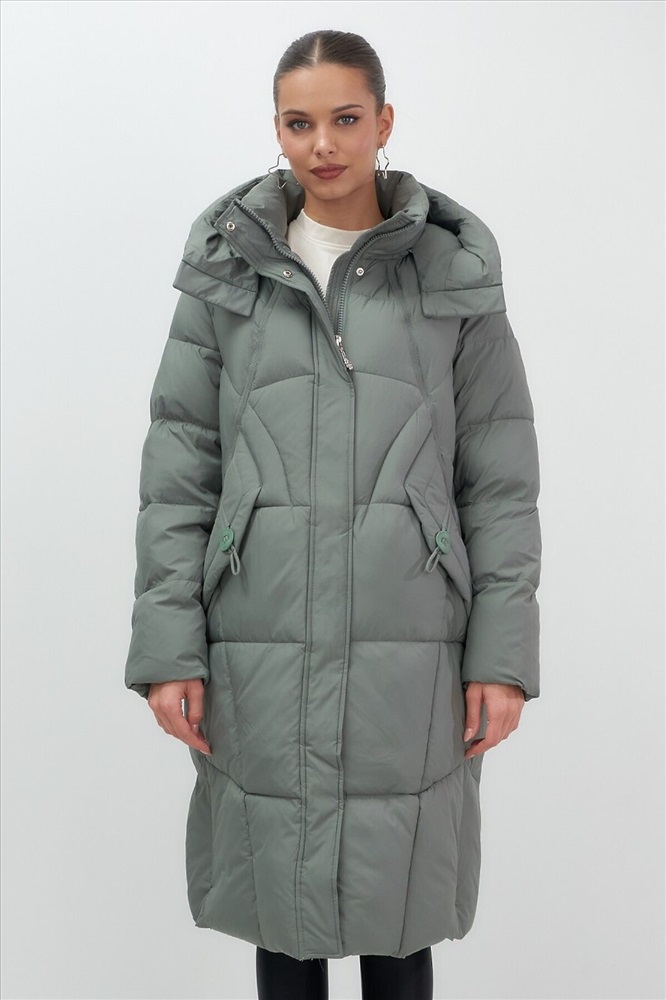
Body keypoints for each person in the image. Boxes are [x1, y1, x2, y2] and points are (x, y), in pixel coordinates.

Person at [124, 28, 542, 1000]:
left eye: (346, 118)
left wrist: (502, 656)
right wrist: (169, 646)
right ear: (276, 130)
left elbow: (499, 475)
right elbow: (179, 465)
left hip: (413, 636)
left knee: (401, 912)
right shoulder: (229, 269)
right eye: (299, 122)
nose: (323, 144)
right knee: (283, 913)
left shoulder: (449, 272)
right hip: (260, 631)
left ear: (384, 122)